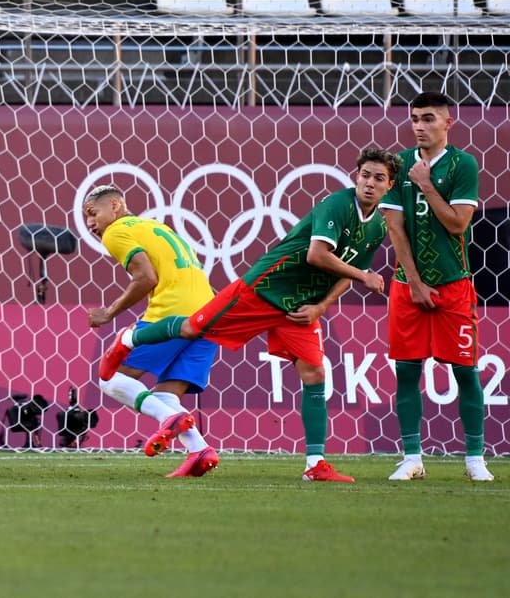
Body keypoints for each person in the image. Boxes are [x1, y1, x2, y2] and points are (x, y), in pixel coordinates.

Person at [98, 148, 401, 483]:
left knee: (315, 374)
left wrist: (321, 306)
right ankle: (129, 337)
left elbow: (350, 270)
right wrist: (364, 277)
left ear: (390, 185)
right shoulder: (337, 205)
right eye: (365, 175)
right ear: (355, 176)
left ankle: (315, 465)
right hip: (263, 289)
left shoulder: (378, 227)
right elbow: (318, 255)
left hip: (299, 305)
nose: (370, 183)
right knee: (189, 328)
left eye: (379, 178)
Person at [380, 92, 493, 482]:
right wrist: (413, 283)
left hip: (453, 285)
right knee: (407, 371)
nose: (418, 126)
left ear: (448, 123)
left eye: (428, 118)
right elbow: (395, 227)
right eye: (414, 118)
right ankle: (412, 457)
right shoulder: (397, 164)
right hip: (407, 287)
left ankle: (475, 459)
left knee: (466, 372)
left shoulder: (463, 165)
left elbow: (458, 224)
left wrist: (426, 184)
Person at [82, 185, 220, 478]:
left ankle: (168, 419)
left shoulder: (116, 231)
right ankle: (200, 450)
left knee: (111, 379)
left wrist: (109, 313)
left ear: (116, 206)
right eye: (86, 219)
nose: (91, 224)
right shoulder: (157, 227)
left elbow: (146, 277)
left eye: (93, 214)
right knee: (167, 394)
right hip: (208, 315)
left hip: (174, 314)